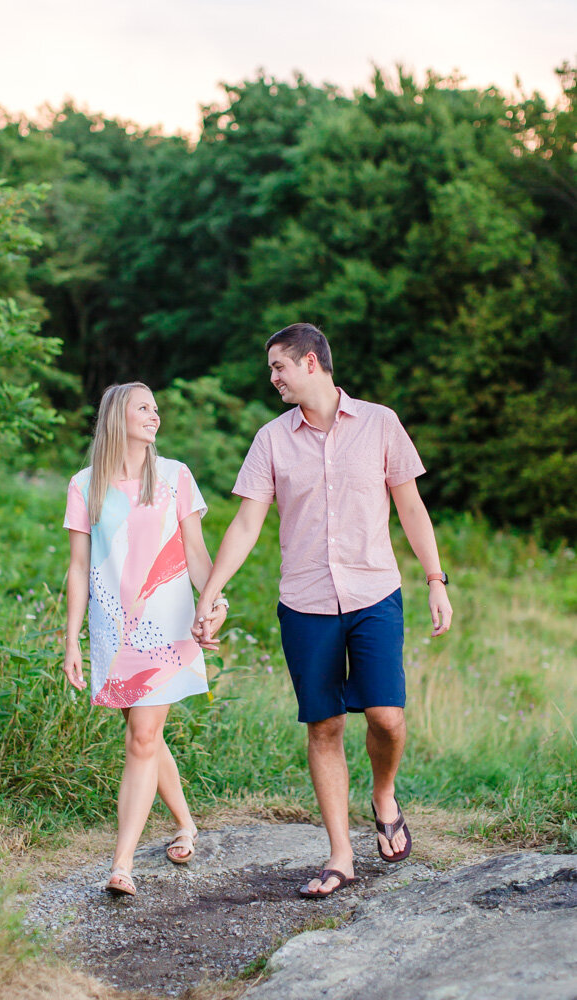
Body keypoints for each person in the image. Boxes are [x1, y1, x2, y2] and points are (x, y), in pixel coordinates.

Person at [192, 323, 452, 899]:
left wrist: (436, 579)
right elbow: (247, 523)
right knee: (325, 725)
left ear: (311, 363)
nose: (273, 379)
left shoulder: (381, 423)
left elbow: (410, 506)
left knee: (387, 716)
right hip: (305, 602)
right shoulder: (271, 440)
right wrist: (209, 593)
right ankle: (340, 855)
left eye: (278, 368)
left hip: (374, 594)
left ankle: (383, 794)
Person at [63, 381, 227, 897]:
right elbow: (77, 567)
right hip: (113, 631)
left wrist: (215, 603)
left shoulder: (176, 476)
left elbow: (198, 554)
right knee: (143, 734)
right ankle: (185, 824)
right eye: (144, 407)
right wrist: (71, 642)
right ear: (117, 416)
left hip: (169, 627)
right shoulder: (84, 484)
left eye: (157, 408)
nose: (155, 415)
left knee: (141, 738)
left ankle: (123, 864)